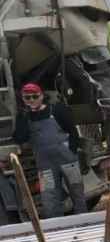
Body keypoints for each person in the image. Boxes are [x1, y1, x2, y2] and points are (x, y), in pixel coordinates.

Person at [13, 83, 87, 218]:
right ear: (23, 99)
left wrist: (72, 151)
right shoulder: (24, 117)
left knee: (77, 192)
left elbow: (72, 130)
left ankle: (84, 221)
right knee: (49, 198)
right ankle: (56, 227)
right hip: (45, 165)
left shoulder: (57, 109)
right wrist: (24, 117)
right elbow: (19, 139)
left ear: (42, 96)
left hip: (67, 159)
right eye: (27, 97)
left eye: (35, 96)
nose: (31, 100)